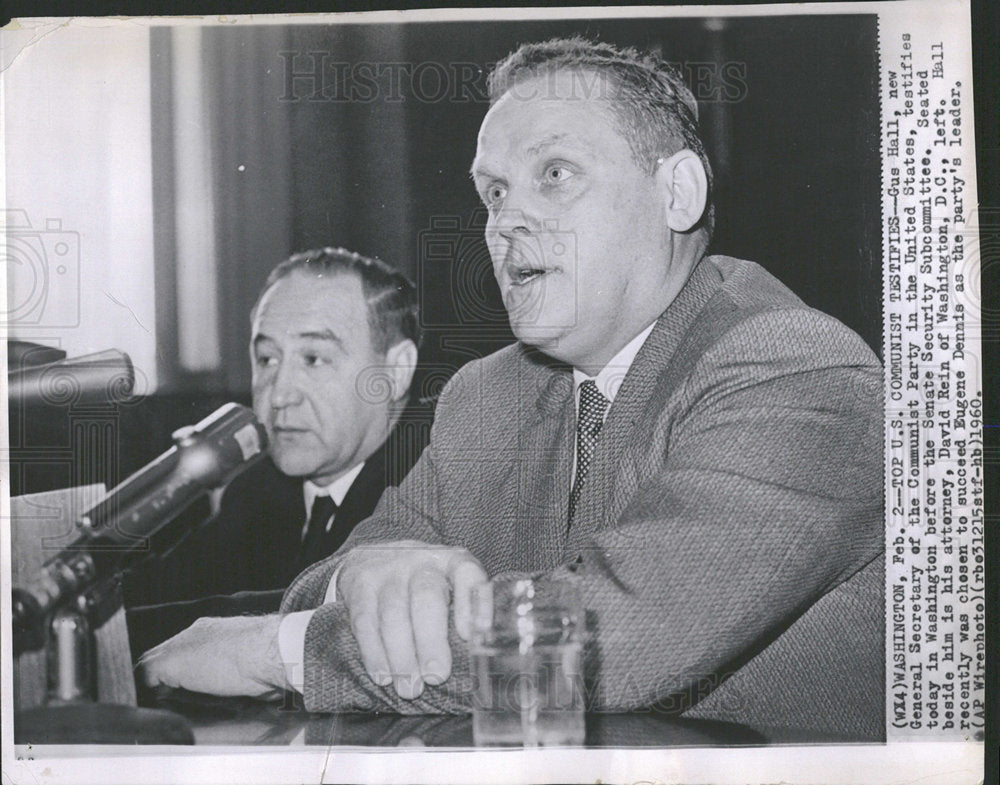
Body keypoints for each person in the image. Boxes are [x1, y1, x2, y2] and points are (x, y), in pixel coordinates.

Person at [141, 38, 884, 739]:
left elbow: (609, 641)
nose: (506, 221)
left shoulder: (794, 367)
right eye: (494, 191)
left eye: (555, 175)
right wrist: (366, 575)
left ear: (677, 193)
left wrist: (281, 651)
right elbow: (342, 571)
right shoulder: (486, 394)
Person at [125, 247, 429, 653]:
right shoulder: (257, 486)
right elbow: (153, 595)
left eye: (314, 359)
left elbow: (325, 621)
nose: (280, 394)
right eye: (267, 359)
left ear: (395, 370)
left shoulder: (433, 482)